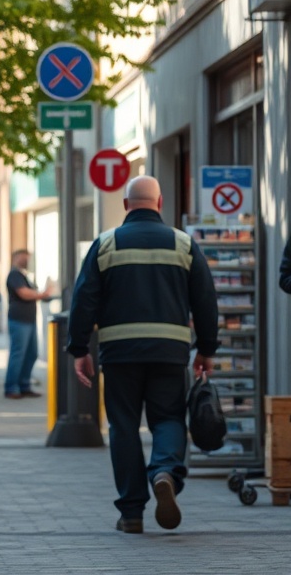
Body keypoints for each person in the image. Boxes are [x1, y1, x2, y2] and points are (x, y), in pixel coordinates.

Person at [68, 175, 218, 534]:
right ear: (160, 203)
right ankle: (164, 470)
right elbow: (206, 300)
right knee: (167, 419)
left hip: (120, 353)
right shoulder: (184, 244)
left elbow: (84, 299)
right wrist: (207, 349)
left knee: (123, 426)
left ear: (125, 205)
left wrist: (78, 349)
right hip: (169, 352)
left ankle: (131, 513)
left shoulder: (105, 244)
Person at [3, 249, 52, 399]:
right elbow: (23, 293)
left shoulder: (25, 275)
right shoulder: (14, 275)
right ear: (16, 258)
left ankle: (24, 385)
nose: (26, 260)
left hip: (29, 321)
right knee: (18, 354)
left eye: (28, 258)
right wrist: (42, 294)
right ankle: (12, 387)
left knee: (31, 354)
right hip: (18, 320)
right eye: (23, 257)